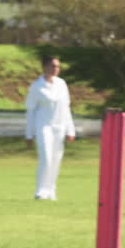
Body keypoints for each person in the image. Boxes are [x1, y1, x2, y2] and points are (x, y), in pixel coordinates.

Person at [25, 55, 76, 200]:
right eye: (53, 66)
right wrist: (29, 134)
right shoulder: (36, 86)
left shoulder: (62, 84)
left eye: (58, 66)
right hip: (43, 126)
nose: (56, 69)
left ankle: (51, 190)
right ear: (44, 67)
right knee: (46, 157)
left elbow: (66, 108)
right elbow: (30, 111)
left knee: (56, 159)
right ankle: (41, 190)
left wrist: (70, 130)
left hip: (59, 127)